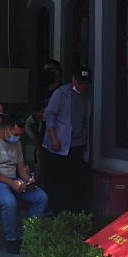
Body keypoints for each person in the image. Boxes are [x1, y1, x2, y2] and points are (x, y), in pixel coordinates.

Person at [0, 116, 48, 253]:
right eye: (16, 134)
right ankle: (12, 240)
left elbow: (21, 166)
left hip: (14, 179)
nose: (18, 137)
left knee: (41, 197)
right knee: (9, 202)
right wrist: (11, 183)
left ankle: (27, 237)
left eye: (21, 135)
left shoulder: (16, 142)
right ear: (6, 130)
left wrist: (28, 180)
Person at [41, 65, 93, 215]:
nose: (82, 86)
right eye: (80, 82)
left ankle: (73, 215)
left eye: (85, 84)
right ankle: (59, 214)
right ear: (73, 79)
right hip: (60, 147)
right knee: (60, 183)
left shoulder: (86, 97)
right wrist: (53, 138)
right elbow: (49, 116)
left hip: (78, 145)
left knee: (77, 183)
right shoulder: (61, 93)